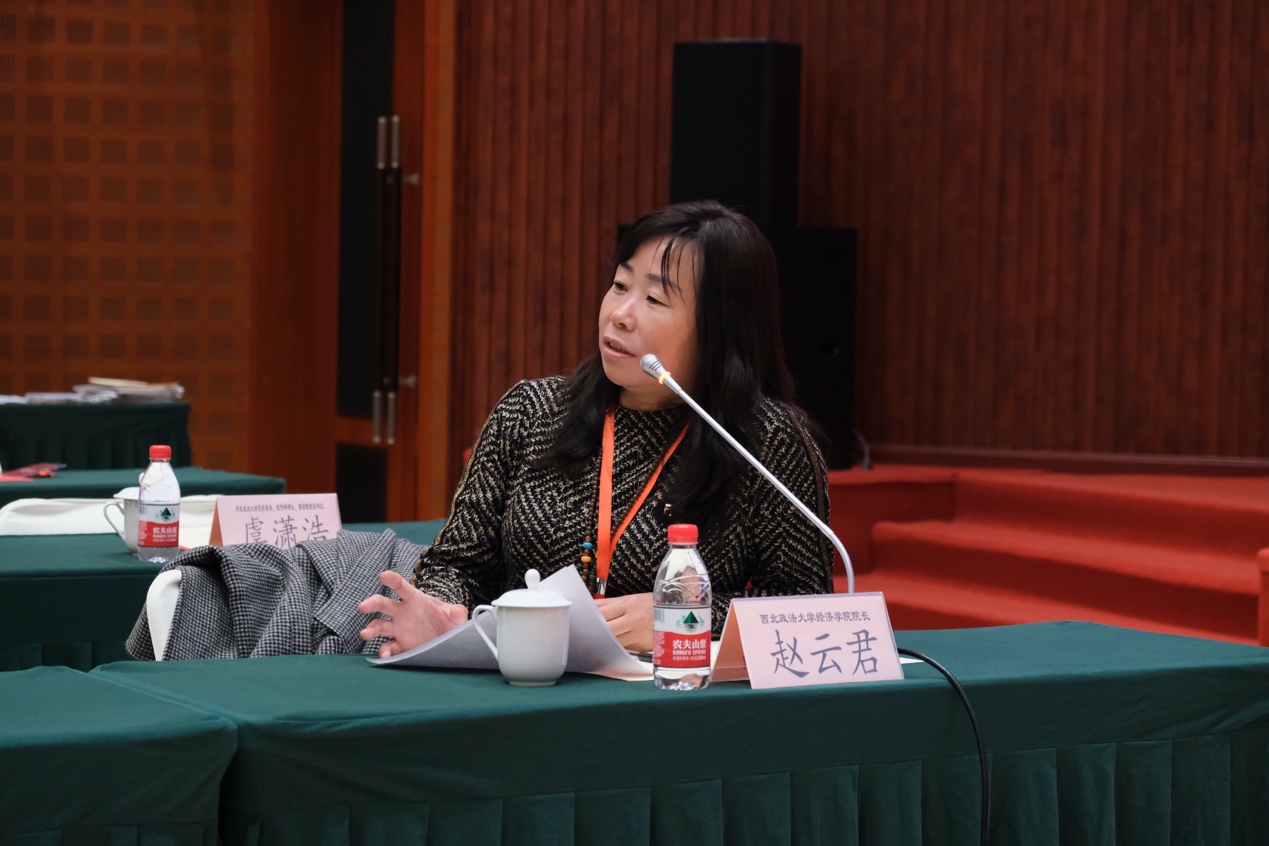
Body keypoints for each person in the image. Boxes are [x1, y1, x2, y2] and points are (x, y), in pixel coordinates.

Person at [358, 200, 833, 657]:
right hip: (523, 679)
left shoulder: (766, 442)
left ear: (721, 329)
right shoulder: (531, 411)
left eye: (654, 298)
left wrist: (685, 616)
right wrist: (441, 608)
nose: (620, 314)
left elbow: (804, 609)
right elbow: (457, 563)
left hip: (672, 692)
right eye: (620, 285)